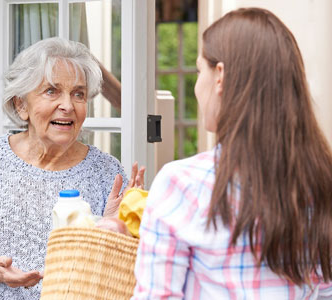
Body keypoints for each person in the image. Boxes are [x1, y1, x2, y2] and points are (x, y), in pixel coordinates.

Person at [132, 7, 332, 299]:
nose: (198, 86)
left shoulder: (183, 185)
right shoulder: (320, 182)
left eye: (200, 70)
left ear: (220, 76)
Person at [0, 37, 144, 300]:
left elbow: (125, 277)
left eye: (78, 94)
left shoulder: (106, 171)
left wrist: (114, 230)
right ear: (21, 105)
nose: (68, 105)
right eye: (51, 91)